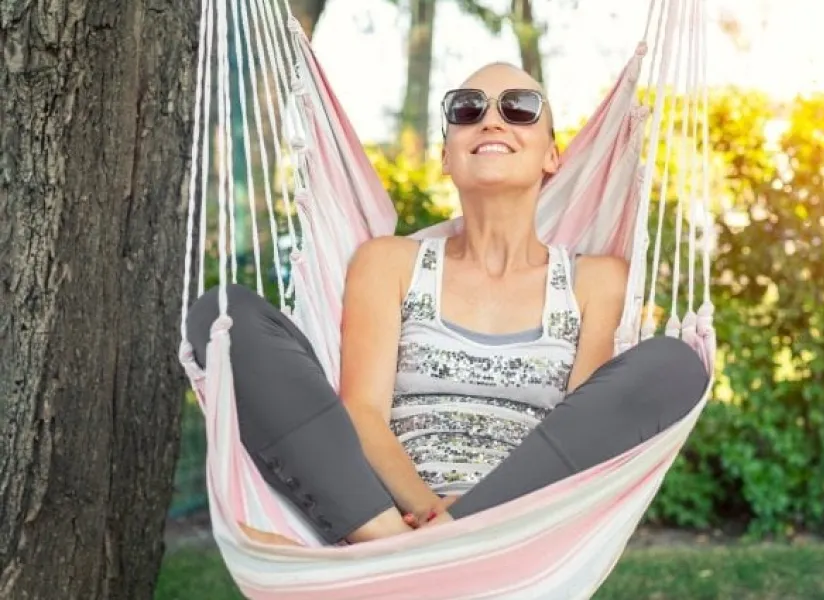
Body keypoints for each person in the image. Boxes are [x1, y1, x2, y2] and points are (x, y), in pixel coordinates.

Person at [185, 62, 710, 547]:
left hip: (522, 524)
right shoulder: (389, 264)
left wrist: (464, 522)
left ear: (553, 156)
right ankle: (392, 547)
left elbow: (581, 431)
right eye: (467, 109)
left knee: (675, 365)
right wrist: (424, 512)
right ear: (446, 154)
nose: (491, 121)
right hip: (387, 512)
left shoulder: (594, 281)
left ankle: (433, 547)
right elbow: (362, 414)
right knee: (224, 318)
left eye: (519, 108)